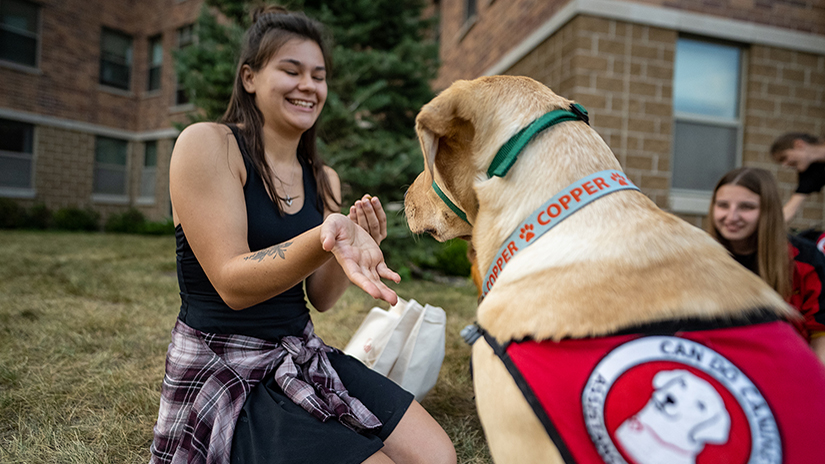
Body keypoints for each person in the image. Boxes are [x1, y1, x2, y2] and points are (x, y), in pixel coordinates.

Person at [149, 6, 456, 464]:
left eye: (319, 75)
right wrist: (323, 236)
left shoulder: (323, 178)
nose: (309, 86)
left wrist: (347, 247)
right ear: (250, 77)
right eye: (291, 71)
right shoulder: (208, 145)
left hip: (301, 354)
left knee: (437, 456)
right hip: (226, 368)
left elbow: (323, 298)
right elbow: (231, 284)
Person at [709, 167, 825, 365]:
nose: (731, 216)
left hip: (789, 374)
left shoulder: (805, 259)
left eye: (746, 207)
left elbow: (820, 337)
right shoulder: (699, 257)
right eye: (723, 205)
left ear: (768, 210)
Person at [770, 132, 825, 222]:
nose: (785, 165)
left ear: (799, 144)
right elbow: (791, 209)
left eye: (784, 158)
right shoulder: (810, 172)